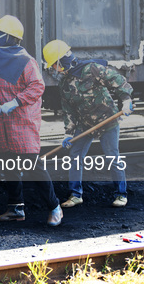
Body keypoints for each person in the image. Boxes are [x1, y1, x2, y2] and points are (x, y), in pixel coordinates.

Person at [0, 15, 62, 226]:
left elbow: (37, 86)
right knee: (9, 164)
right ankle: (16, 208)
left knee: (32, 165)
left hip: (23, 124)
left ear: (7, 38)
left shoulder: (26, 61)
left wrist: (16, 101)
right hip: (3, 125)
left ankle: (55, 207)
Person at [43, 39, 132, 208]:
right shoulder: (64, 83)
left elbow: (117, 80)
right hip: (85, 124)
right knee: (75, 156)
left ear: (61, 61)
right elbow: (68, 109)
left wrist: (126, 100)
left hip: (107, 121)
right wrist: (69, 133)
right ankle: (76, 195)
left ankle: (121, 194)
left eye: (54, 64)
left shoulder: (91, 69)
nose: (53, 69)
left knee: (112, 157)